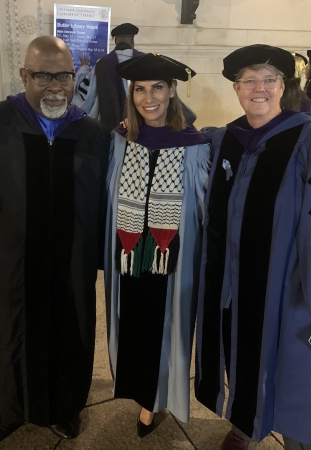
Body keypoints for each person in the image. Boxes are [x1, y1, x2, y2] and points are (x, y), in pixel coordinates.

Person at [194, 44, 311, 450]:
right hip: (235, 286)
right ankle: (244, 426)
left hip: (295, 287)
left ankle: (300, 442)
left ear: (283, 86)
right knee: (241, 355)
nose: (259, 88)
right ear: (236, 89)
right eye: (248, 80)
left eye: (269, 79)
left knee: (298, 372)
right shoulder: (224, 140)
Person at [0, 36, 111, 445]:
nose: (55, 86)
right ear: (24, 74)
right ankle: (9, 411)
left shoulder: (93, 133)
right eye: (43, 75)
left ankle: (66, 410)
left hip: (72, 261)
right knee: (11, 331)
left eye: (63, 76)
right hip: (11, 259)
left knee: (73, 329)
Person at [104, 53, 209, 437]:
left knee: (165, 328)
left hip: (171, 258)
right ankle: (138, 389)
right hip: (128, 255)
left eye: (158, 88)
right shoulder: (120, 139)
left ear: (172, 91)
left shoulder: (194, 145)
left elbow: (202, 208)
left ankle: (153, 401)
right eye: (140, 89)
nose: (149, 98)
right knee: (134, 325)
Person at [73, 22, 143, 130]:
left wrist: (83, 69)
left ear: (115, 41)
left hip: (109, 127)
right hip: (140, 125)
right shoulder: (144, 61)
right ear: (132, 40)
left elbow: (85, 92)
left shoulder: (102, 64)